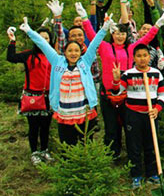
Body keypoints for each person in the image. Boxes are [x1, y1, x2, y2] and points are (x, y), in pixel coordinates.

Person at [79, 0, 164, 159]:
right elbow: (92, 35)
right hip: (108, 93)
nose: (120, 36)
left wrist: (157, 25)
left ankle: (131, 154)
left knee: (128, 126)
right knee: (111, 126)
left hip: (127, 93)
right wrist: (85, 19)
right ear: (112, 34)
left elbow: (146, 39)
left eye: (123, 33)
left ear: (127, 35)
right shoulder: (104, 46)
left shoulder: (131, 48)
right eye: (117, 33)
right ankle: (112, 155)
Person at [19, 13, 112, 145]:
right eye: (70, 51)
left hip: (84, 111)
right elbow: (43, 45)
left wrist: (104, 29)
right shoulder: (57, 61)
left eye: (76, 51)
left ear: (80, 52)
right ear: (65, 52)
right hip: (65, 112)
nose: (73, 53)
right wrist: (29, 31)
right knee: (67, 143)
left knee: (86, 142)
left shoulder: (85, 61)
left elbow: (95, 42)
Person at [111, 44, 164, 189]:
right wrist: (116, 80)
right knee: (134, 145)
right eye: (139, 56)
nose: (142, 59)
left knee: (151, 143)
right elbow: (117, 93)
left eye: (145, 56)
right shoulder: (128, 74)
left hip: (151, 114)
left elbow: (162, 94)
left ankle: (153, 173)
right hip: (133, 114)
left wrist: (157, 109)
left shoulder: (156, 73)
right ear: (134, 58)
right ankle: (136, 175)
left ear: (149, 57)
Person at [6, 25, 54, 165]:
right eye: (40, 37)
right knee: (33, 126)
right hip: (32, 96)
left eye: (46, 38)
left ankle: (44, 150)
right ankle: (34, 152)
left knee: (46, 126)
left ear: (51, 40)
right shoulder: (29, 55)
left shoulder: (53, 55)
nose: (43, 40)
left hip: (48, 97)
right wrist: (12, 41)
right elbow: (11, 57)